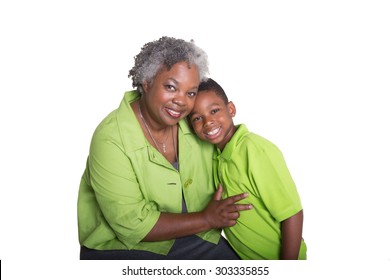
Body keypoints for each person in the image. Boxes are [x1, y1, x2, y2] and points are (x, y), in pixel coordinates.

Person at [77, 37, 252, 260]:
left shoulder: (194, 122)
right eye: (171, 87)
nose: (182, 102)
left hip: (194, 235)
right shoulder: (110, 139)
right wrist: (208, 219)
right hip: (122, 248)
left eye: (191, 93)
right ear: (146, 82)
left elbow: (236, 157)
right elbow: (131, 225)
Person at [189, 78, 307, 260]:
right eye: (197, 118)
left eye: (214, 111)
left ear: (231, 109)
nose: (208, 121)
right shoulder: (215, 155)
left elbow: (292, 213)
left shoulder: (255, 150)